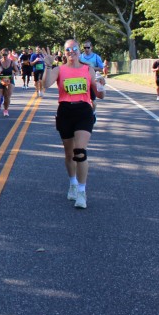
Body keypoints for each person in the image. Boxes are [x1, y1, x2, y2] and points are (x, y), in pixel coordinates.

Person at [40, 40, 105, 209]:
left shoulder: (88, 69)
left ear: (79, 50)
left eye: (74, 48)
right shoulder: (59, 69)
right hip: (65, 112)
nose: (71, 51)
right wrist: (48, 66)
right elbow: (45, 84)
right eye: (68, 49)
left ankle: (82, 192)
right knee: (69, 154)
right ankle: (73, 183)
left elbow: (99, 94)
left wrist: (101, 86)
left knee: (80, 152)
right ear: (65, 52)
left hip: (83, 111)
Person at [0, 49, 17, 117]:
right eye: (3, 54)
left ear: (8, 54)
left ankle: (6, 110)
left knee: (7, 96)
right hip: (1, 79)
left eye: (6, 54)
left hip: (9, 79)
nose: (4, 56)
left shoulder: (12, 62)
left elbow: (17, 71)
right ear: (1, 54)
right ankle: (0, 102)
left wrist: (14, 73)